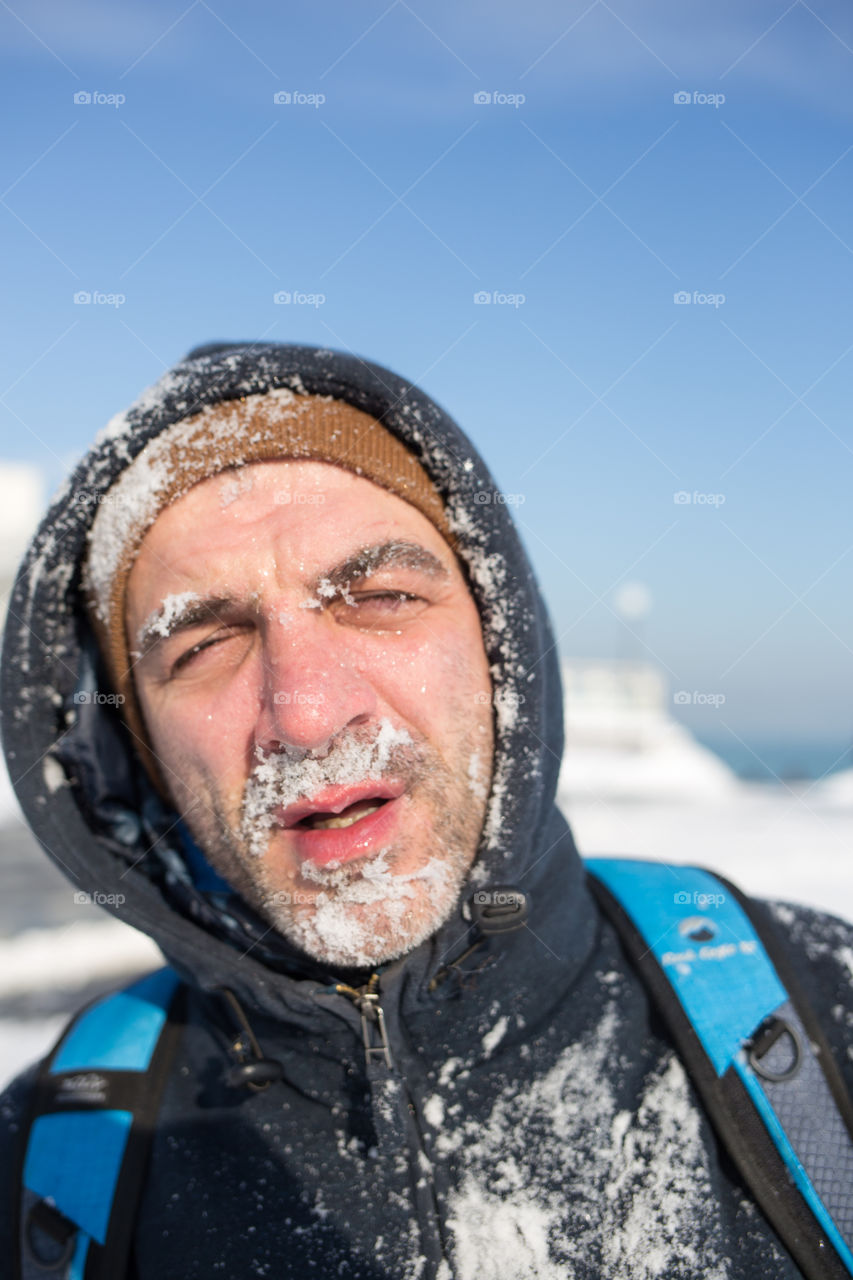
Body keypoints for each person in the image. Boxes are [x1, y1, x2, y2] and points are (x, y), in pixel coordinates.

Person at [2, 341, 852, 1280]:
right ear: (143, 756)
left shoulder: (826, 1019)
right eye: (205, 647)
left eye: (379, 597)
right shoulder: (45, 1165)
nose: (308, 714)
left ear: (500, 646)